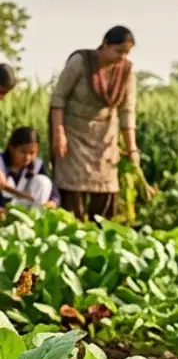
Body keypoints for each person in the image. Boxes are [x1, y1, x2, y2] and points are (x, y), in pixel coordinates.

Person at [48, 25, 140, 222]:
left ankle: (100, 234)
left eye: (127, 53)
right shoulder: (81, 62)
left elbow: (127, 111)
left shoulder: (127, 72)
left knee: (106, 190)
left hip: (105, 137)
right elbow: (58, 99)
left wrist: (132, 148)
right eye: (119, 51)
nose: (123, 57)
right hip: (73, 134)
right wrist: (58, 133)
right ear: (105, 44)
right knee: (72, 191)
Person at [1, 127, 60, 208]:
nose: (27, 158)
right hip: (3, 208)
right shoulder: (1, 161)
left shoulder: (37, 165)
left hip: (26, 208)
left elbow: (55, 195)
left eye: (32, 153)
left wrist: (52, 203)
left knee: (43, 181)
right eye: (23, 152)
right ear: (11, 148)